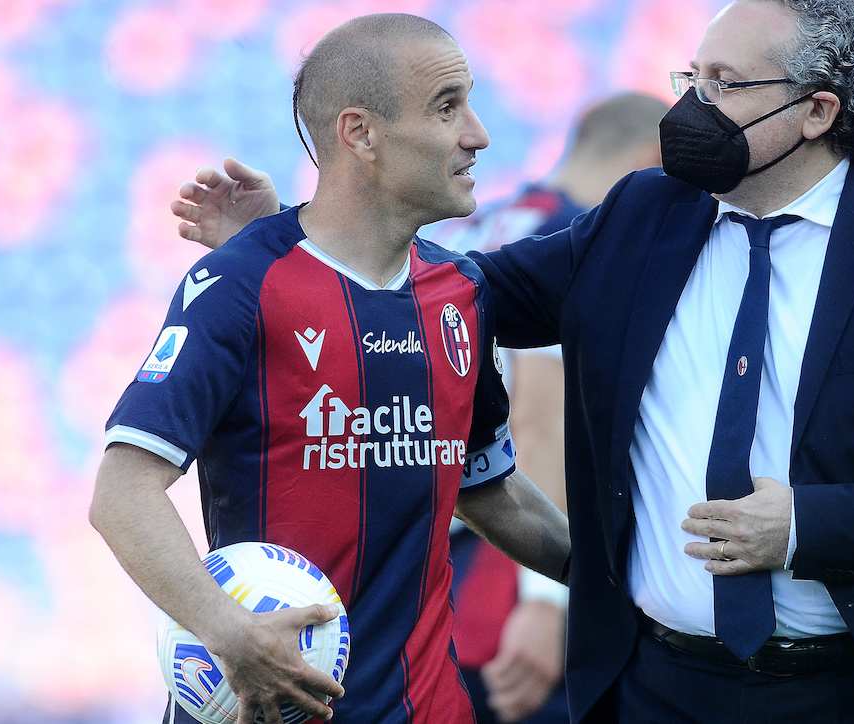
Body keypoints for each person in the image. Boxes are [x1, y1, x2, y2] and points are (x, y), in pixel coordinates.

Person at [171, 1, 854, 720]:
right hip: (658, 687)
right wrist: (291, 249)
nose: (692, 107)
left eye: (726, 85)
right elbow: (452, 295)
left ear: (819, 112)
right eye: (694, 79)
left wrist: (808, 526)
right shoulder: (647, 214)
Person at [91, 13, 570, 724]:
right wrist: (229, 632)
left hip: (428, 706)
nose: (478, 134)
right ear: (360, 134)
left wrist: (616, 585)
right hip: (266, 704)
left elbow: (489, 490)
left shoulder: (462, 294)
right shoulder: (240, 284)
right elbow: (122, 495)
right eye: (447, 107)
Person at [434, 92, 667, 724]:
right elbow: (539, 419)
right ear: (652, 162)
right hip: (515, 553)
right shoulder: (576, 245)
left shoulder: (471, 228)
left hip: (439, 551)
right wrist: (540, 600)